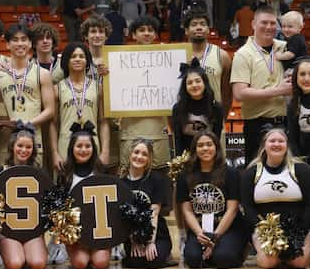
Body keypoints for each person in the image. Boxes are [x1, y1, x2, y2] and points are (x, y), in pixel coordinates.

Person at [241, 128, 310, 269]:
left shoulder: (302, 170)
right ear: (264, 145)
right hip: (266, 231)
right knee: (269, 263)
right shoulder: (251, 172)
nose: (276, 144)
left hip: (298, 228)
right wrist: (264, 230)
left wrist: (300, 229)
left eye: (281, 141)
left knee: (298, 262)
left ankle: (296, 251)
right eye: (272, 141)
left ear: (287, 145)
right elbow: (247, 207)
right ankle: (262, 253)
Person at [230, 6, 290, 166]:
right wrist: (279, 91)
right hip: (257, 125)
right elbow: (239, 93)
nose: (269, 27)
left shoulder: (286, 47)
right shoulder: (243, 54)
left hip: (286, 123)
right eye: (264, 22)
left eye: (273, 23)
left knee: (286, 172)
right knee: (256, 174)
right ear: (253, 24)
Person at [177, 131, 246, 269]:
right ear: (195, 150)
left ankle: (238, 248)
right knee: (193, 259)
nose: (205, 149)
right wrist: (200, 234)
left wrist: (215, 238)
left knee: (224, 258)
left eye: (209, 144)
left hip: (227, 228)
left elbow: (232, 210)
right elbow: (187, 210)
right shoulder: (185, 175)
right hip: (200, 229)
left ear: (216, 147)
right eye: (200, 145)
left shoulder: (231, 173)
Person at [0, 24, 56, 168]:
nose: (20, 43)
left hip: (33, 141)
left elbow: (50, 110)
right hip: (5, 142)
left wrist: (26, 125)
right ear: (7, 44)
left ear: (30, 43)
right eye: (15, 40)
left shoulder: (43, 74)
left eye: (24, 39)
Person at [0, 123, 47, 269]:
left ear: (33, 149)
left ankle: (28, 250)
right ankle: (5, 249)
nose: (24, 150)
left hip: (32, 231)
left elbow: (48, 206)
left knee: (38, 264)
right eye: (20, 146)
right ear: (12, 147)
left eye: (28, 147)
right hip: (7, 232)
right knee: (15, 264)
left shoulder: (40, 174)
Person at [50, 42, 110, 173]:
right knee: (66, 186)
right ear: (66, 61)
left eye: (81, 56)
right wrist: (54, 153)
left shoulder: (98, 87)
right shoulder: (57, 88)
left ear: (87, 60)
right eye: (73, 56)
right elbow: (53, 124)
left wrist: (105, 151)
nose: (77, 59)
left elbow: (104, 122)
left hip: (92, 144)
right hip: (65, 143)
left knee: (91, 186)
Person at [119, 16, 170, 170]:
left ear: (155, 35)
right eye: (142, 30)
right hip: (131, 131)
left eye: (150, 30)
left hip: (158, 130)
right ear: (133, 35)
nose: (146, 33)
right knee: (129, 178)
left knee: (159, 180)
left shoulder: (167, 59)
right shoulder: (119, 60)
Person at [61, 122, 110, 269]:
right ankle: (78, 251)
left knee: (100, 263)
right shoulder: (65, 173)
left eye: (87, 146)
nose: (83, 150)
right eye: (79, 146)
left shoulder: (101, 170)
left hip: (99, 230)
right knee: (81, 263)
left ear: (93, 149)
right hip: (77, 233)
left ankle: (102, 250)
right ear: (72, 148)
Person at [121, 139, 172, 268]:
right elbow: (122, 217)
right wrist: (134, 241)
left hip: (156, 234)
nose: (139, 157)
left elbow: (154, 213)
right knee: (135, 263)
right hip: (132, 236)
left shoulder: (156, 179)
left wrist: (150, 242)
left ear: (149, 159)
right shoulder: (120, 183)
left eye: (144, 154)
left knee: (154, 260)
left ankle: (165, 252)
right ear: (130, 154)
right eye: (136, 152)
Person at [185, 9, 232, 116]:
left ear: (208, 29)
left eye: (203, 24)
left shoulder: (222, 56)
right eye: (194, 24)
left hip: (213, 120)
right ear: (186, 30)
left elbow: (227, 93)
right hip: (185, 121)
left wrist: (222, 119)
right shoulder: (177, 55)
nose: (199, 27)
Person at [172, 61, 224, 156]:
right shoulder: (178, 108)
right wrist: (180, 163)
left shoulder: (216, 108)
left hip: (208, 157)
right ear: (185, 87)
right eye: (190, 83)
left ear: (205, 83)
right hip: (187, 158)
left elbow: (217, 139)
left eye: (198, 81)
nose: (194, 85)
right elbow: (178, 140)